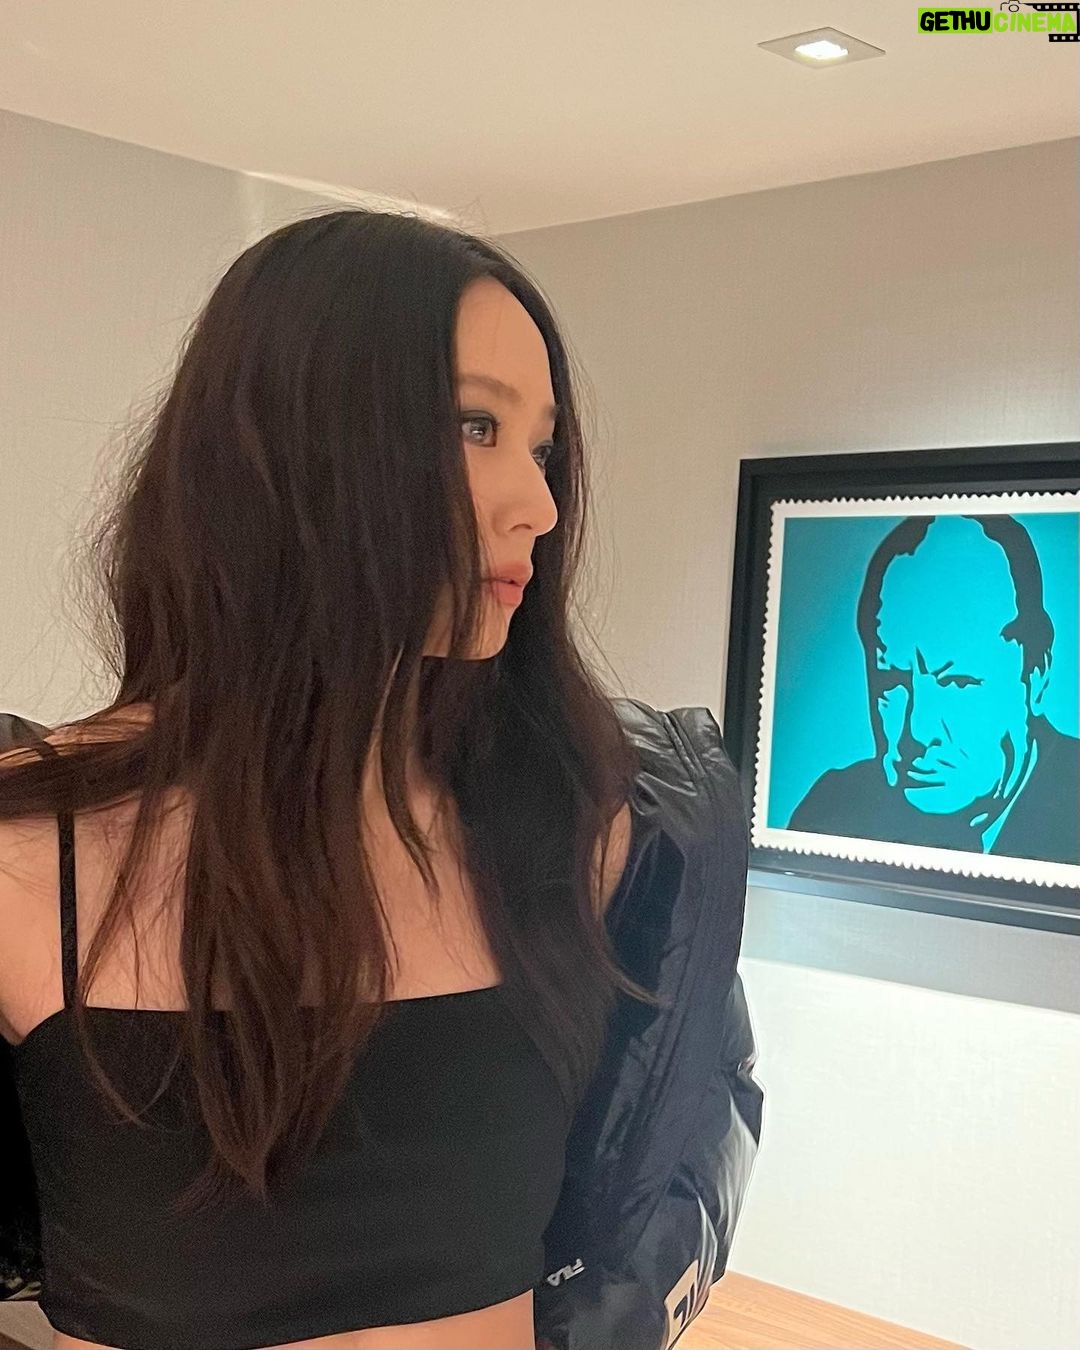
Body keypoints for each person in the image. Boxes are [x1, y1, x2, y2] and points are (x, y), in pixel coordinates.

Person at [0, 209, 673, 1350]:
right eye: (475, 425)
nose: (542, 505)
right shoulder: (31, 851)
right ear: (287, 444)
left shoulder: (572, 830)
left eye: (542, 445)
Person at [789, 513, 1080, 866]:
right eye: (891, 683)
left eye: (957, 683)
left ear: (1035, 672)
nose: (917, 732)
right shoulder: (830, 813)